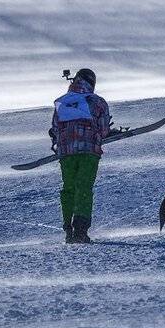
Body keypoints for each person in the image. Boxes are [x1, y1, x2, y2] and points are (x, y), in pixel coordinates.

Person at [50, 68, 113, 243]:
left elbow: (55, 128)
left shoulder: (62, 102)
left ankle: (68, 229)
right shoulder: (97, 101)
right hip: (88, 152)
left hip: (66, 153)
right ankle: (80, 230)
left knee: (69, 188)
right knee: (84, 187)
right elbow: (104, 128)